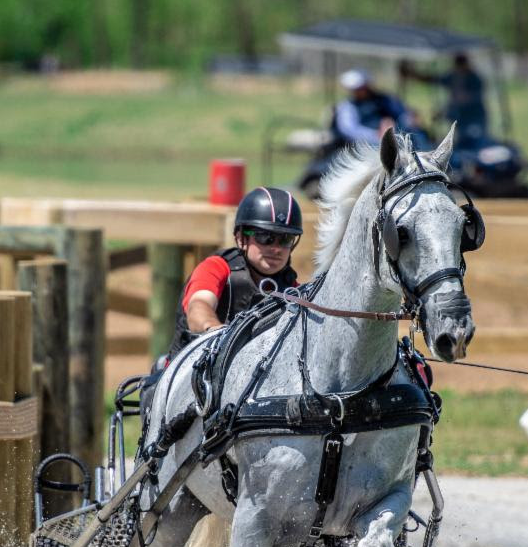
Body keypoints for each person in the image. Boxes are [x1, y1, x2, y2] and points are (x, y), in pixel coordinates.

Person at [166, 186, 303, 360]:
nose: (276, 248)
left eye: (285, 240)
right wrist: (217, 331)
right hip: (193, 373)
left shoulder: (293, 289)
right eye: (265, 237)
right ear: (241, 238)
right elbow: (198, 307)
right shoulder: (215, 267)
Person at [401, 53, 488, 147]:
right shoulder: (454, 76)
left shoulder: (475, 80)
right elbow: (434, 79)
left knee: (475, 144)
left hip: (474, 121)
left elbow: (463, 99)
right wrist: (413, 75)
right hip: (460, 120)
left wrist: (444, 112)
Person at [331, 69, 428, 150]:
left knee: (419, 138)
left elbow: (402, 114)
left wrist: (409, 120)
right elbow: (350, 129)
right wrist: (377, 135)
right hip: (370, 144)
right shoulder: (348, 106)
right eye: (357, 89)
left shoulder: (385, 99)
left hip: (399, 135)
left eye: (362, 87)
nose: (360, 91)